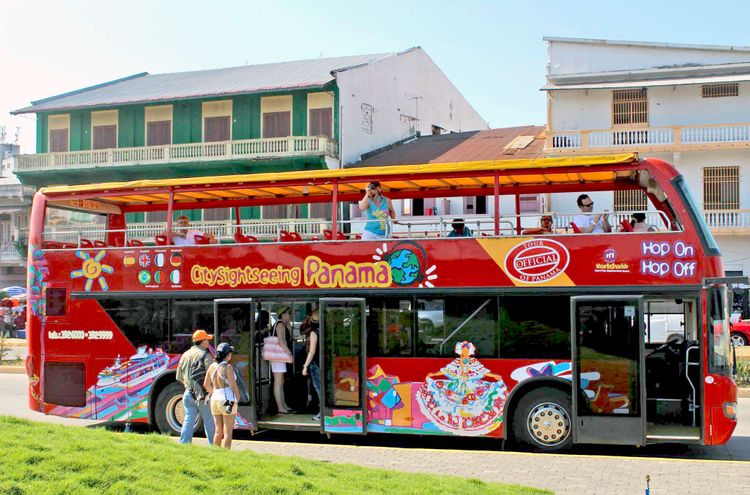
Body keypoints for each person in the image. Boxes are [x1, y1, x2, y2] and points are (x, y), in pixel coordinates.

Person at [175, 329, 216, 445]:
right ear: (202, 342)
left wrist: (189, 386)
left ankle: (184, 444)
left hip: (188, 394)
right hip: (202, 395)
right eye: (207, 340)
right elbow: (212, 374)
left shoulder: (185, 355)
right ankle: (213, 446)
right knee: (209, 421)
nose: (208, 342)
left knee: (188, 420)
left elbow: (179, 377)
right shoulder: (205, 355)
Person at [204, 342, 240, 449]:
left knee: (218, 431)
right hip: (227, 399)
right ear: (227, 355)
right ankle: (225, 456)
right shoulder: (227, 367)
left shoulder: (212, 367)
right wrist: (237, 397)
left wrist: (214, 393)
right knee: (228, 432)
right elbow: (233, 385)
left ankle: (216, 454)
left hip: (214, 399)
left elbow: (206, 385)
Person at [272, 304, 294, 414]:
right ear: (283, 314)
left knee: (281, 381)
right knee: (278, 381)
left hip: (278, 357)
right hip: (278, 357)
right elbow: (281, 341)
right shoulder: (280, 325)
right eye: (288, 313)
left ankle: (283, 405)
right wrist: (289, 353)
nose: (290, 316)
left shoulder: (282, 324)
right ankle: (280, 407)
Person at [300, 308, 321, 421]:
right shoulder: (325, 329)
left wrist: (305, 366)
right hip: (324, 363)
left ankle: (322, 412)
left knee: (318, 388)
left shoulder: (314, 333)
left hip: (316, 364)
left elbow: (312, 351)